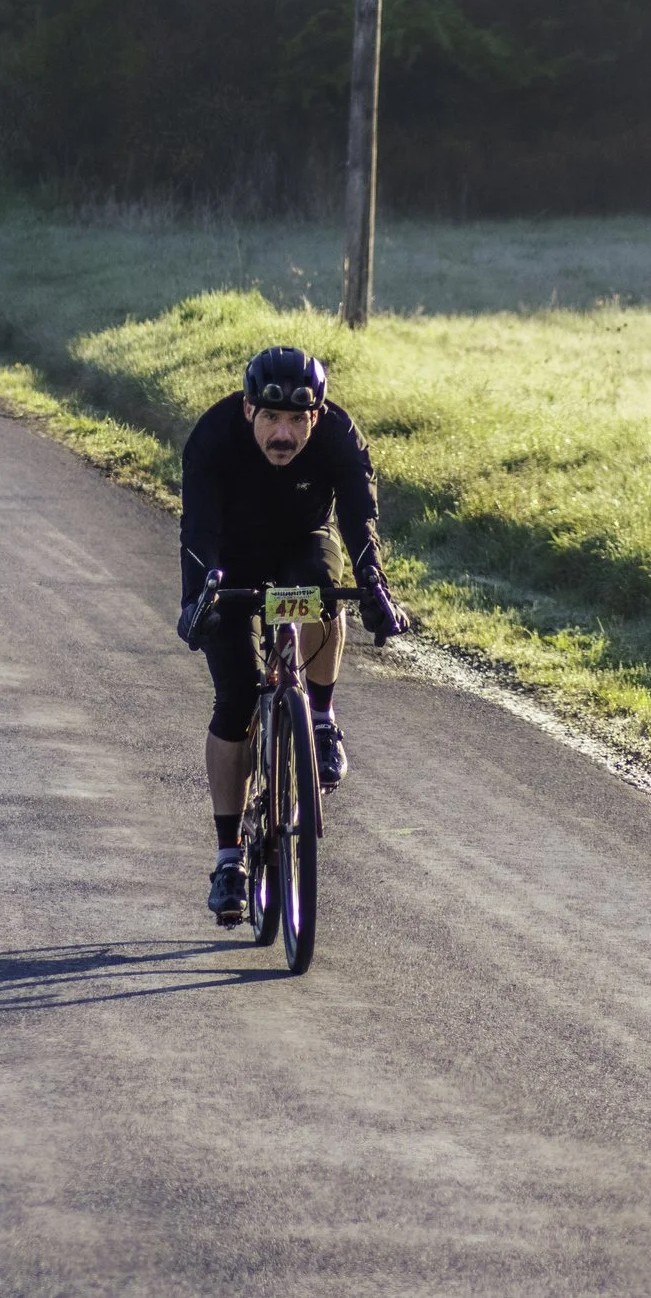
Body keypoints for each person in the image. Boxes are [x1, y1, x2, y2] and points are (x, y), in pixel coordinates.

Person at [177, 345, 410, 924]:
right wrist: (199, 597)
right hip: (228, 564)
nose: (283, 434)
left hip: (301, 543)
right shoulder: (213, 436)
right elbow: (198, 528)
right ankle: (230, 858)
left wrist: (376, 588)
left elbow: (360, 520)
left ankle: (322, 720)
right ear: (249, 410)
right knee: (234, 698)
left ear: (317, 415)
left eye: (297, 421)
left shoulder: (339, 437)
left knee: (326, 588)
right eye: (272, 419)